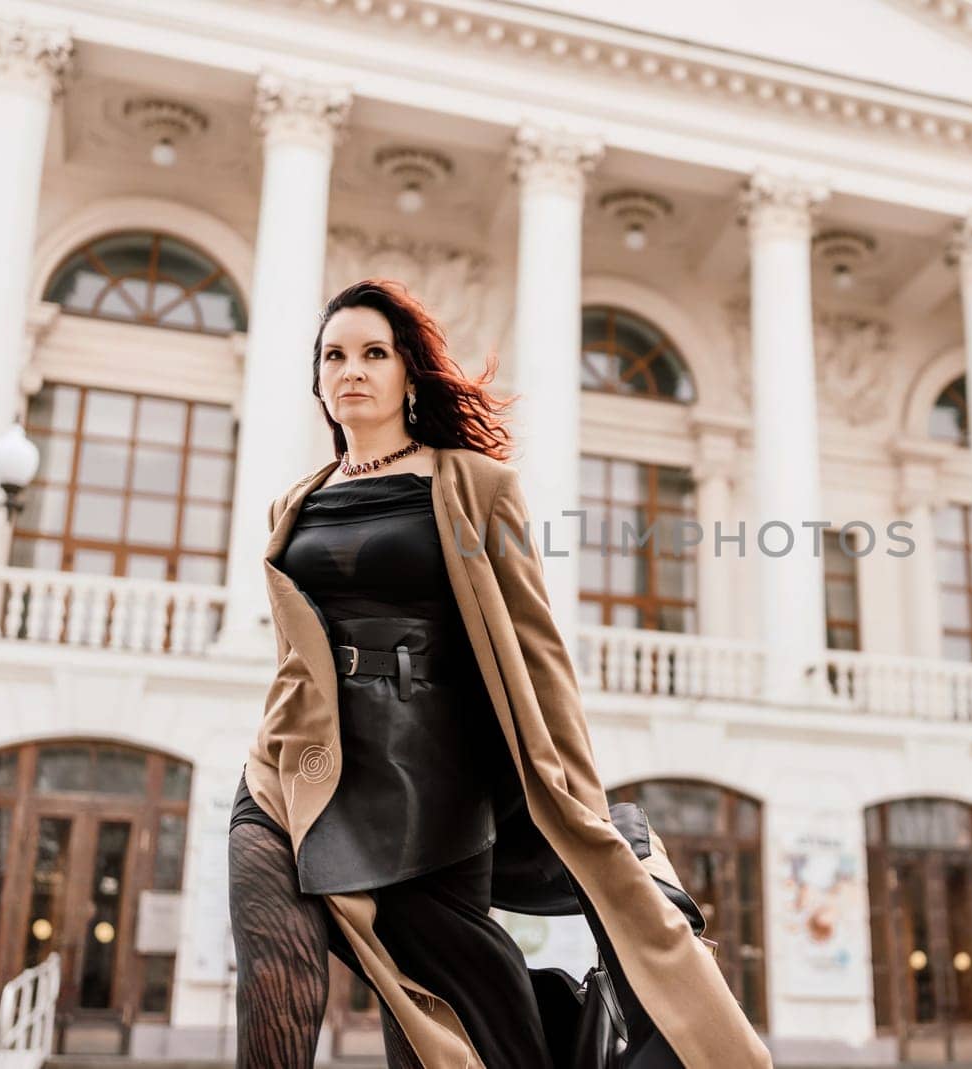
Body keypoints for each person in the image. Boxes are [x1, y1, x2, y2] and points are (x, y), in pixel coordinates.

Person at [227, 278, 772, 1069]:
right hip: (294, 769)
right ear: (317, 378)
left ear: (409, 373)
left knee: (448, 1020)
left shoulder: (476, 488)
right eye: (334, 355)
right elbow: (296, 655)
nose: (352, 370)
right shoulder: (295, 505)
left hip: (424, 786)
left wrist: (579, 805)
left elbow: (538, 653)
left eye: (373, 353)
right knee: (275, 972)